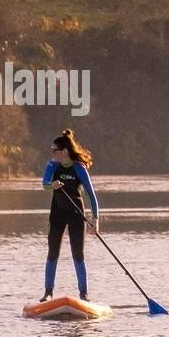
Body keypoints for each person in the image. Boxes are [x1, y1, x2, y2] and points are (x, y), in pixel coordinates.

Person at [41, 129, 99, 301]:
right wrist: (53, 185)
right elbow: (44, 184)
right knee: (53, 252)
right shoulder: (52, 166)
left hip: (76, 213)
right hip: (57, 213)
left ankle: (84, 294)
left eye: (55, 150)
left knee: (78, 254)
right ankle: (48, 293)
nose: (52, 154)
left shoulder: (79, 169)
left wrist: (95, 220)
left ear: (64, 151)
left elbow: (91, 194)